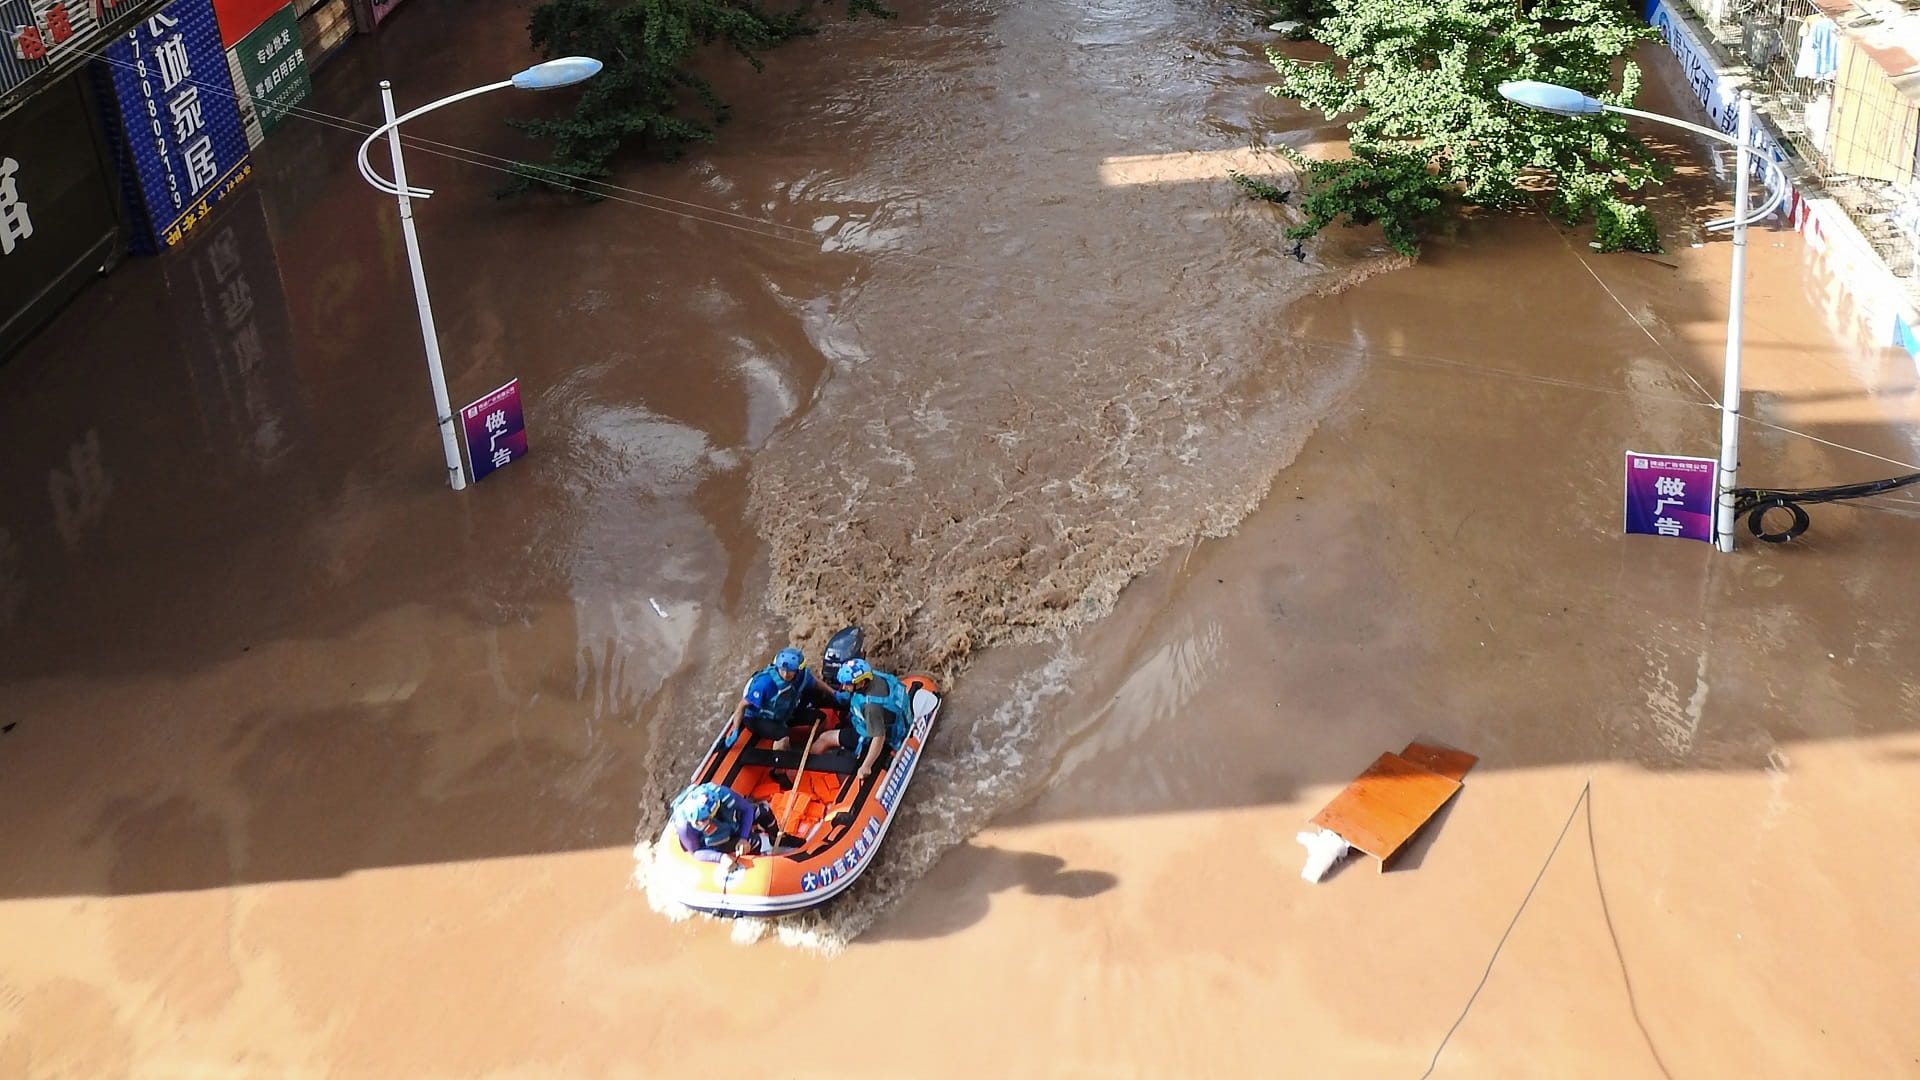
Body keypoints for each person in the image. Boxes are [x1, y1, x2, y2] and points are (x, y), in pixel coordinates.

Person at [808, 658, 910, 782]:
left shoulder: (871, 707)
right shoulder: (874, 677)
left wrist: (866, 765)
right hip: (875, 720)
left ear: (861, 683)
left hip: (867, 734)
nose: (844, 687)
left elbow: (879, 737)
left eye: (847, 684)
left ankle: (807, 770)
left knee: (825, 738)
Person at [727, 646, 845, 750]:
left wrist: (834, 693)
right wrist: (736, 729)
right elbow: (742, 706)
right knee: (782, 735)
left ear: (798, 670)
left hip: (783, 712)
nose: (785, 674)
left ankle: (809, 746)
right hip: (758, 718)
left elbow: (815, 683)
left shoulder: (801, 676)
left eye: (790, 671)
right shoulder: (766, 684)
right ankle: (780, 769)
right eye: (782, 670)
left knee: (820, 718)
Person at [670, 782, 774, 864]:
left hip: (731, 820)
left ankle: (778, 838)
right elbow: (696, 852)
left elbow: (747, 809)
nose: (699, 824)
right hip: (719, 840)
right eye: (697, 822)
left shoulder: (723, 794)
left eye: (703, 820)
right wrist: (720, 857)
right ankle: (765, 857)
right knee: (755, 842)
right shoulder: (684, 826)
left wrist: (743, 837)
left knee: (764, 812)